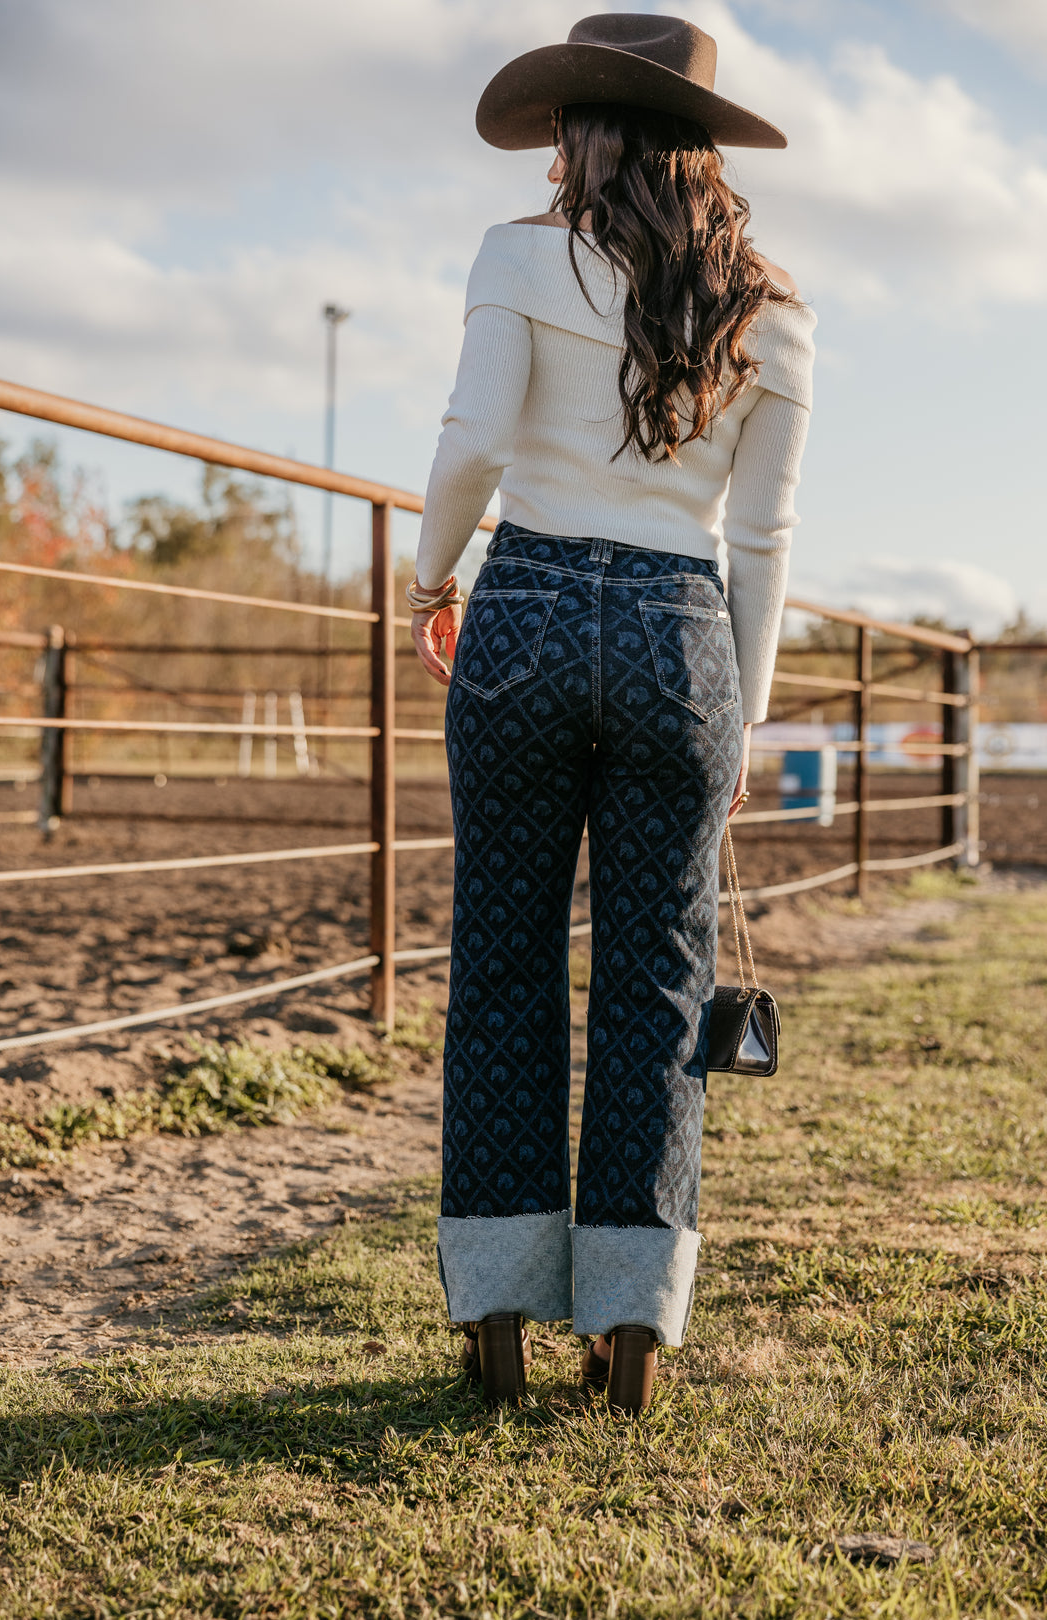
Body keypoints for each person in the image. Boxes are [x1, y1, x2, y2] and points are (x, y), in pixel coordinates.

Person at [408, 13, 815, 1412]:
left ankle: (497, 1315)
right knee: (656, 986)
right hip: (680, 636)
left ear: (579, 131)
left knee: (502, 964)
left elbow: (473, 440)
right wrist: (741, 720)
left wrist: (429, 581)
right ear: (703, 145)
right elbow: (762, 543)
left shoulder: (517, 256)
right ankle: (630, 1331)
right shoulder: (774, 312)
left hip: (522, 609)